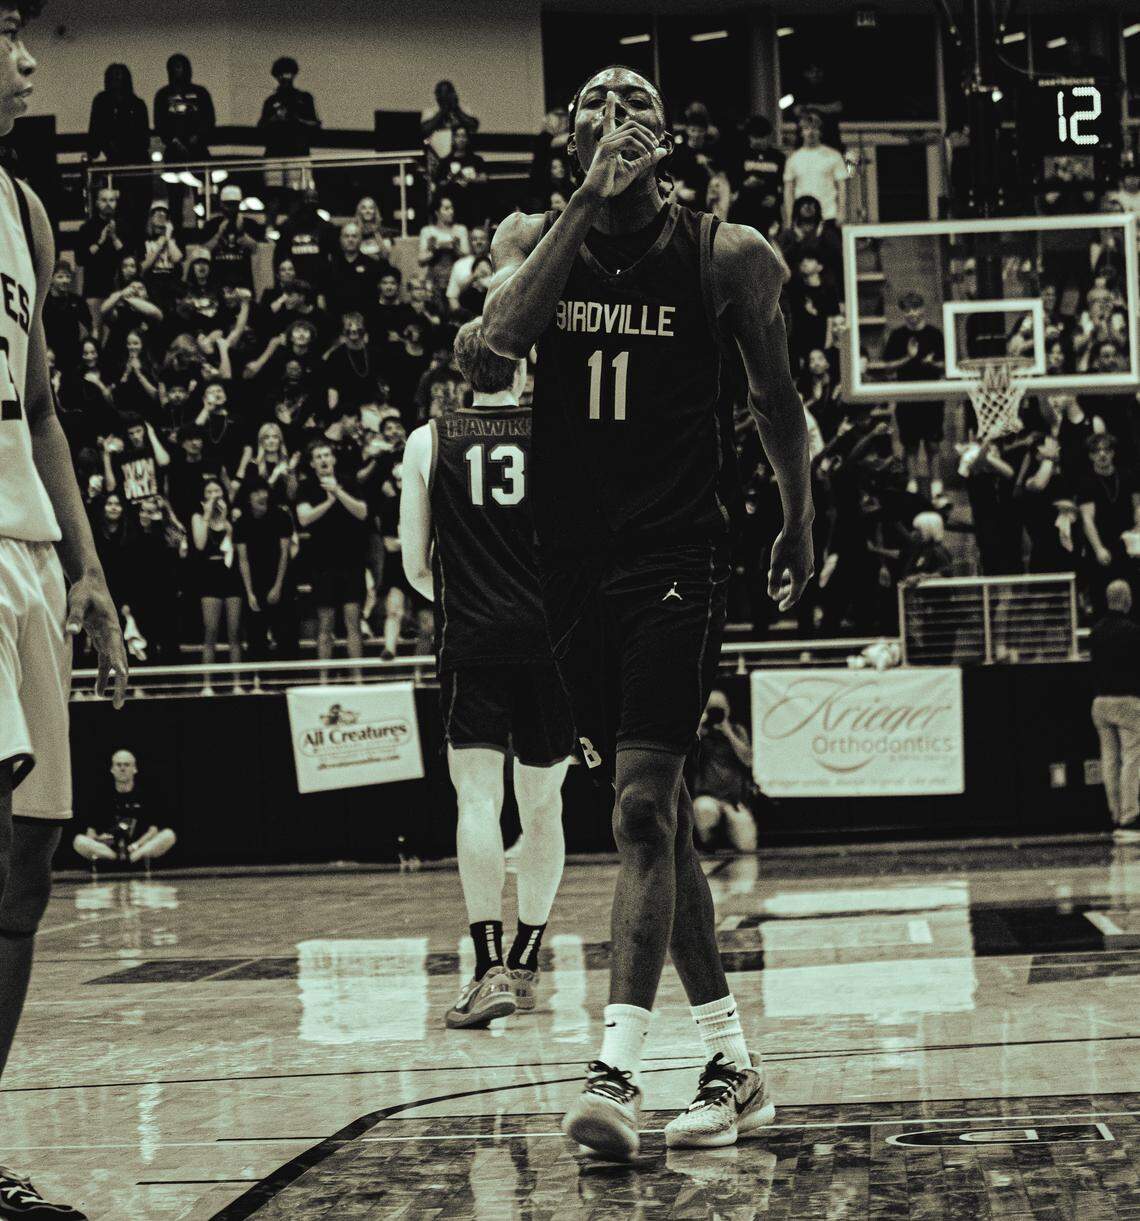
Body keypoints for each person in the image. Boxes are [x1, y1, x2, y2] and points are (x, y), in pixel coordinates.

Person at [483, 65, 813, 1158]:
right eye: (592, 102)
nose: (612, 113)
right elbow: (498, 336)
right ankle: (734, 1063)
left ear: (667, 139)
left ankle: (614, 1070)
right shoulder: (538, 233)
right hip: (568, 562)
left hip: (678, 552)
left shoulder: (727, 253)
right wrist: (581, 201)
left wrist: (799, 520)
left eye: (634, 103)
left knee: (637, 808)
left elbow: (776, 400)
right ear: (566, 134)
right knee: (657, 824)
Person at [0, 7, 128, 1217]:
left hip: (28, 546)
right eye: (3, 35)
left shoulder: (27, 211)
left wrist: (89, 575)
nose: (30, 61)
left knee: (24, 869)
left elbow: (38, 407)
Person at [400, 319, 574, 1027]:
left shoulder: (427, 439)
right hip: (553, 640)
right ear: (524, 368)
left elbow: (415, 564)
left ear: (462, 372)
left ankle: (486, 967)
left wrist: (468, 593)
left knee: (477, 800)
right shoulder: (561, 431)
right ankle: (529, 959)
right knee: (542, 806)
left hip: (473, 636)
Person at [296, 440, 369, 660]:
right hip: (322, 564)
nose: (323, 460)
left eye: (326, 455)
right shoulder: (306, 487)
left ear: (334, 459)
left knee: (352, 623)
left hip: (351, 562)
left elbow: (362, 512)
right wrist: (328, 502)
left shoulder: (348, 482)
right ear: (312, 463)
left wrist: (337, 492)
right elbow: (304, 518)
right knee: (325, 624)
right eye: (318, 457)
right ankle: (323, 682)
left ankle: (357, 681)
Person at [880, 292, 947, 503]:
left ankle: (937, 487)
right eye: (907, 309)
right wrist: (908, 359)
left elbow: (947, 365)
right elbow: (887, 366)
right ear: (903, 312)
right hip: (907, 396)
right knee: (910, 444)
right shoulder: (897, 336)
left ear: (923, 309)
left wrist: (931, 364)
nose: (912, 313)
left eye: (915, 308)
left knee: (933, 444)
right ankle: (912, 486)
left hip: (932, 395)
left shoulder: (935, 334)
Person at [1090, 580, 1140, 843]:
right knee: (1132, 758)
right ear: (1125, 599)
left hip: (1100, 703)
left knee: (1109, 760)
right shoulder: (1133, 631)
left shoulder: (1096, 631)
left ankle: (1115, 813)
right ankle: (1130, 818)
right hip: (1127, 701)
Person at [72, 750, 176, 866]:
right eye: (118, 765)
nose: (122, 768)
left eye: (126, 765)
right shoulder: (100, 796)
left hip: (137, 848)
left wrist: (136, 846)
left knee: (168, 835)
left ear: (134, 769)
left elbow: (153, 831)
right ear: (112, 769)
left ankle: (130, 860)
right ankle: (117, 859)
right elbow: (90, 832)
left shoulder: (146, 795)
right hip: (110, 849)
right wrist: (100, 839)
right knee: (79, 841)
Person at [190, 477, 243, 693]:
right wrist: (207, 515)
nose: (214, 496)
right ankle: (207, 684)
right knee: (210, 632)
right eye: (209, 492)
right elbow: (200, 543)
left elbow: (238, 546)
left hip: (231, 575)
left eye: (218, 492)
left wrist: (227, 520)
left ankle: (238, 684)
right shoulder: (198, 517)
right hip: (210, 576)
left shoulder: (232, 516)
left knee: (235, 632)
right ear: (204, 497)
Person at [235, 479, 296, 660]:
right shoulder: (241, 522)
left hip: (280, 580)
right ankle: (258, 683)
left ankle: (288, 680)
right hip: (254, 582)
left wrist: (278, 586)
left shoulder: (281, 516)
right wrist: (250, 592)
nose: (262, 496)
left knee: (286, 635)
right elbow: (243, 559)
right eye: (256, 492)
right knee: (255, 636)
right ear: (248, 498)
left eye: (264, 491)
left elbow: (285, 553)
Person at [689, 690, 757, 853]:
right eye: (712, 709)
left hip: (734, 800)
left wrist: (728, 732)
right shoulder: (700, 735)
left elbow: (748, 760)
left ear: (728, 710)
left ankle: (729, 835)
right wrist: (699, 729)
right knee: (705, 810)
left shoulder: (737, 730)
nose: (716, 713)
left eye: (720, 709)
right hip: (707, 798)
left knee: (747, 847)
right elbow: (688, 760)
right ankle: (709, 842)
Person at [783, 110, 847, 228]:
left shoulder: (834, 155)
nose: (811, 132)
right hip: (802, 218)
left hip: (828, 215)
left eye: (814, 128)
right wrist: (789, 218)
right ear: (801, 132)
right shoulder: (793, 159)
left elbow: (842, 187)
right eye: (806, 128)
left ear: (820, 132)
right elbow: (788, 191)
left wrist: (841, 213)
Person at [153, 53, 215, 163]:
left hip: (198, 148)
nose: (179, 70)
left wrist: (197, 136)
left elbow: (209, 118)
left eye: (181, 66)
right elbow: (159, 122)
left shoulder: (200, 92)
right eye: (175, 67)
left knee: (202, 176)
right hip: (173, 150)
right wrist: (174, 140)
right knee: (172, 178)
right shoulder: (163, 94)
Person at [86, 63, 149, 167]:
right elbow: (96, 128)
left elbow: (143, 134)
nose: (116, 80)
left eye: (119, 76)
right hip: (113, 155)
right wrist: (94, 151)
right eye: (113, 76)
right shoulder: (102, 101)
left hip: (135, 155)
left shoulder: (137, 104)